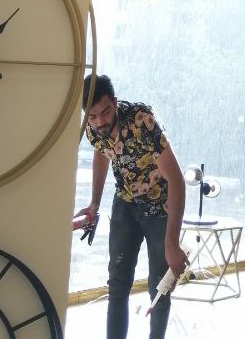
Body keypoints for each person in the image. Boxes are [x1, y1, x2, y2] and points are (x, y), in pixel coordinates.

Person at [74, 74, 187, 339]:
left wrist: (172, 243)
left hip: (159, 207)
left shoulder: (142, 120)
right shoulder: (92, 128)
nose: (100, 122)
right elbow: (102, 153)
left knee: (159, 289)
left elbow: (177, 181)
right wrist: (94, 202)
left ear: (114, 102)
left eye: (106, 112)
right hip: (125, 203)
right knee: (117, 284)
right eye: (92, 117)